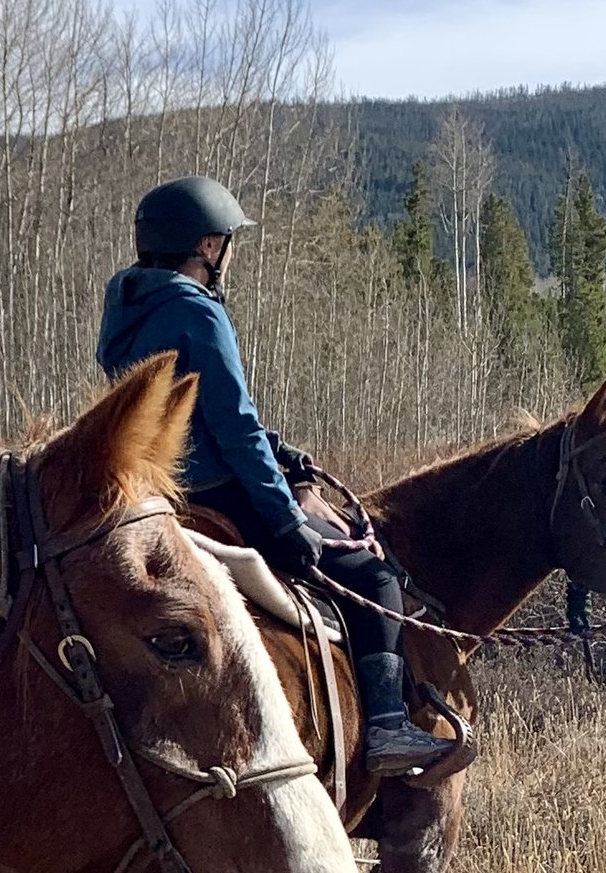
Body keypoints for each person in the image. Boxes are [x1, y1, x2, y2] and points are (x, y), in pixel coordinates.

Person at [97, 177, 447, 780]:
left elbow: (193, 410)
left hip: (158, 496)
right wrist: (286, 519)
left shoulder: (127, 307)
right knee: (374, 577)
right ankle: (389, 726)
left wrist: (282, 451)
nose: (229, 253)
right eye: (228, 241)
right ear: (207, 246)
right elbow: (233, 426)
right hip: (222, 494)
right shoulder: (197, 310)